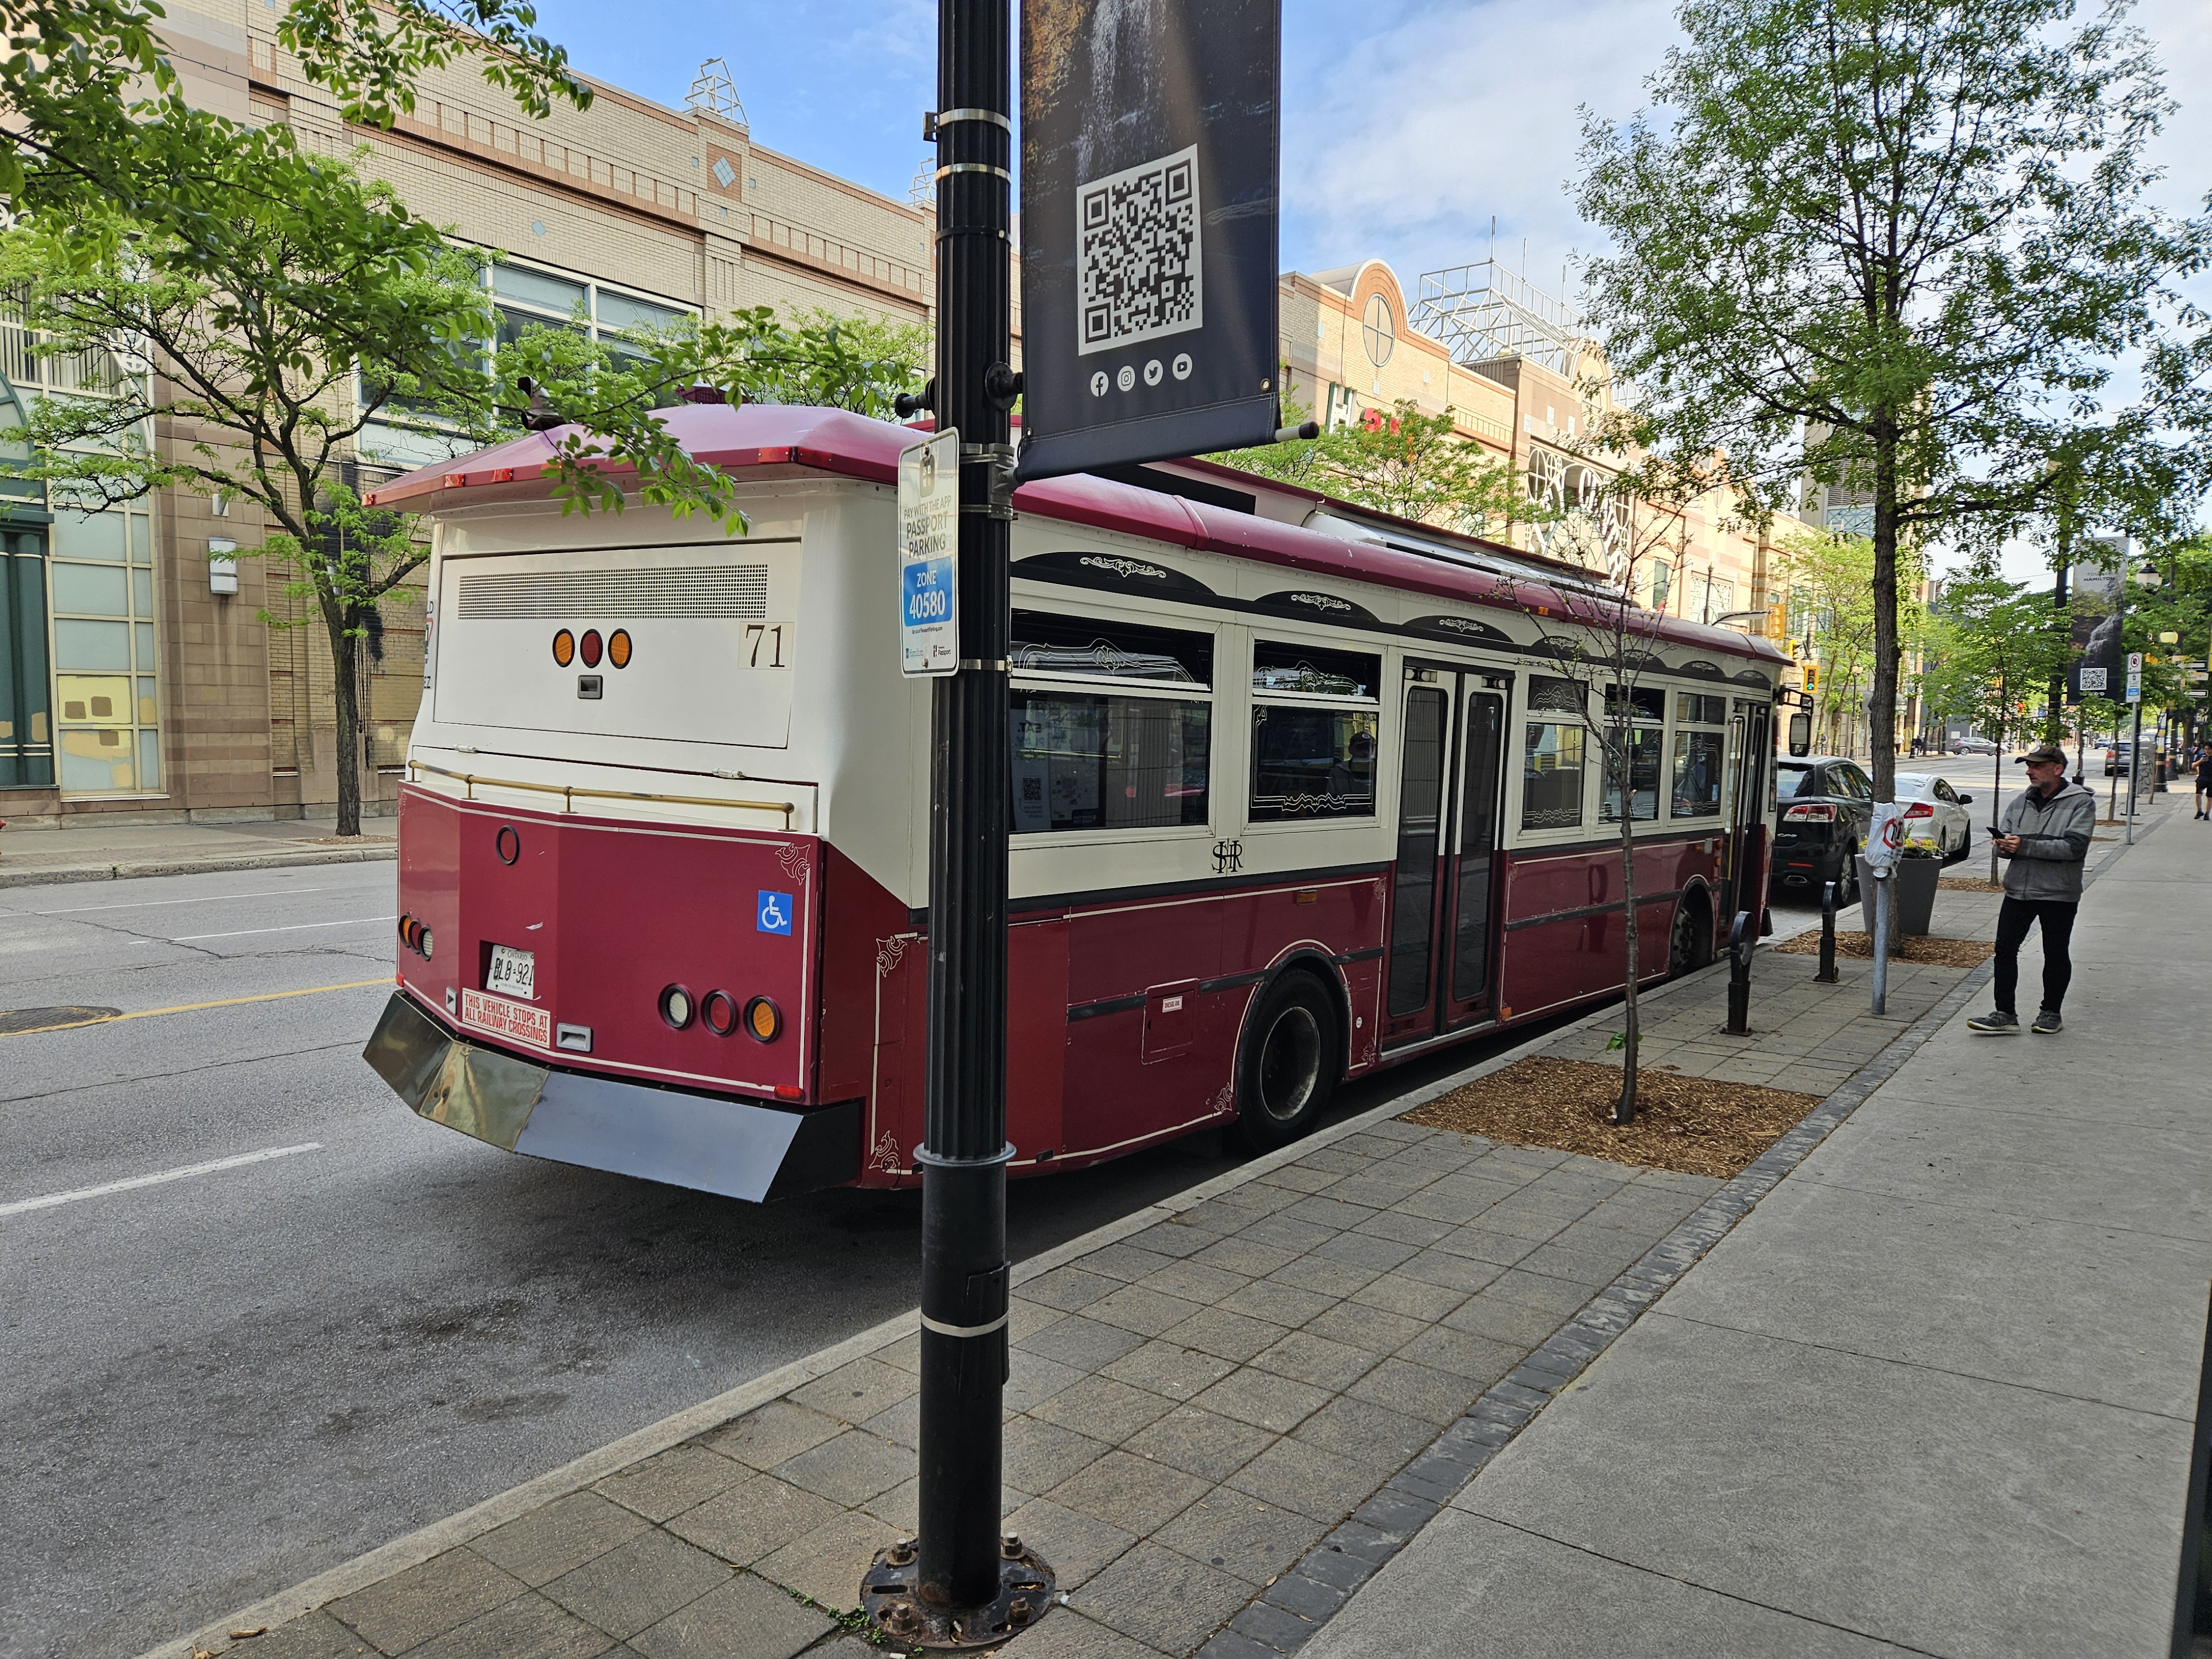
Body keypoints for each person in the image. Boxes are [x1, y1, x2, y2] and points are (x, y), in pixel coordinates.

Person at [1968, 744, 2096, 1035]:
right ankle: (2005, 1014)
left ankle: (2051, 1013)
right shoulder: (2020, 802)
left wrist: (2024, 846)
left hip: (2058, 892)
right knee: (2004, 950)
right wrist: (2003, 847)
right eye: (2028, 766)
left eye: (2037, 766)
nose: (2029, 771)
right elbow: (2006, 845)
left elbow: (2074, 848)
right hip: (2019, 890)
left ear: (2058, 769)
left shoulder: (2080, 803)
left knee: (2055, 953)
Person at [2196, 745, 2212, 820]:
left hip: (2211, 780)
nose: (2207, 751)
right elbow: (2194, 765)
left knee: (2210, 797)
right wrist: (2201, 761)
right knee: (2198, 795)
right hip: (2202, 778)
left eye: (2209, 749)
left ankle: (2207, 814)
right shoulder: (2201, 756)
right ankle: (2199, 811)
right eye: (2206, 749)